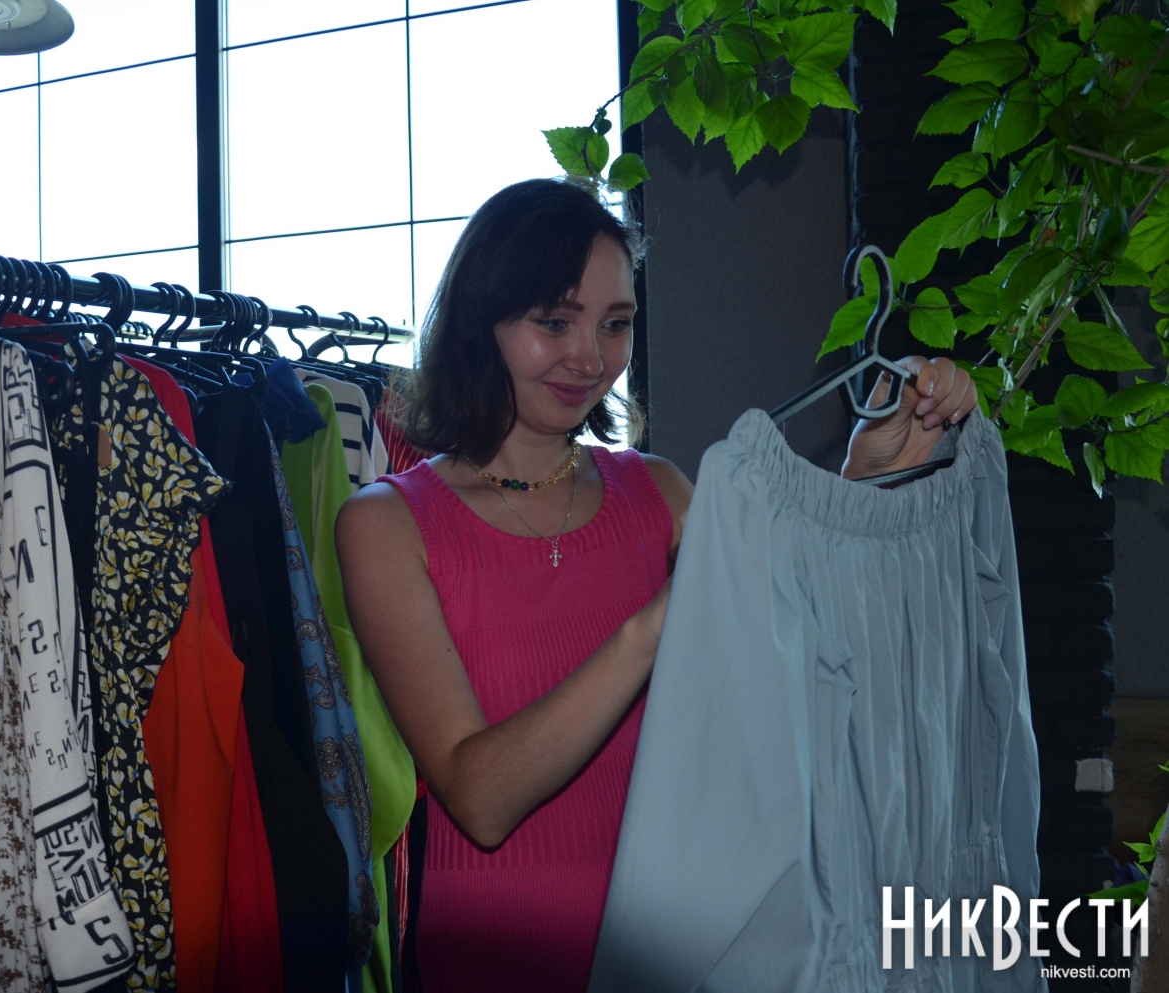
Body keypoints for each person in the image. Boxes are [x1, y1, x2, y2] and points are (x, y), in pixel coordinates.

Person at [333, 177, 977, 992]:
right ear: (480, 320)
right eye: (554, 321)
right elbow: (480, 797)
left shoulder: (660, 492)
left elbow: (805, 641)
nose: (589, 357)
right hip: (501, 959)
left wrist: (867, 469)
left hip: (682, 948)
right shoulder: (386, 522)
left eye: (615, 323)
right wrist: (656, 623)